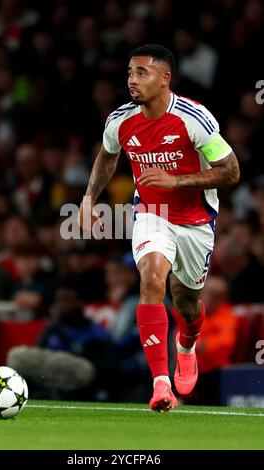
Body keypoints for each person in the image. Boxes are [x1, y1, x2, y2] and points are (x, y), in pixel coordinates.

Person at [78, 44, 240, 412]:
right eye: (130, 73)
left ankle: (187, 342)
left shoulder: (194, 118)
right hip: (152, 213)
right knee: (151, 279)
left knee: (186, 302)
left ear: (165, 78)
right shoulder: (120, 120)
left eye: (142, 73)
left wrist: (177, 181)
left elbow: (231, 172)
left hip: (197, 220)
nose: (133, 81)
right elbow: (108, 154)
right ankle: (161, 384)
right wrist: (89, 197)